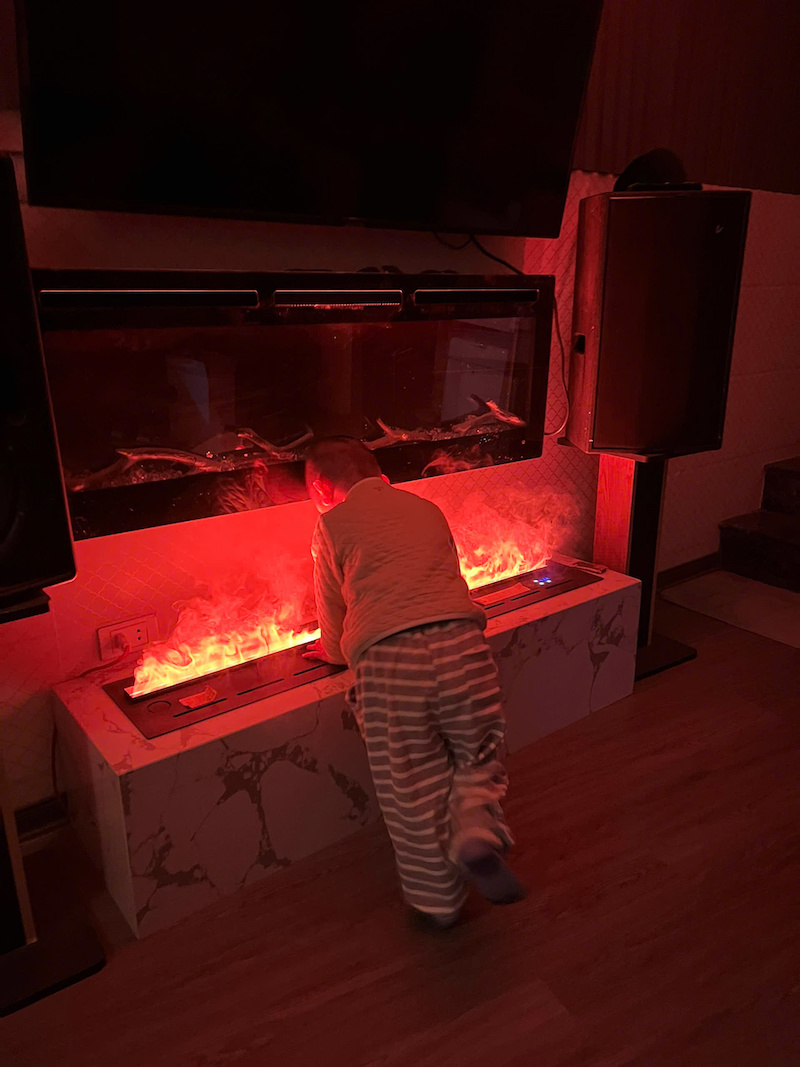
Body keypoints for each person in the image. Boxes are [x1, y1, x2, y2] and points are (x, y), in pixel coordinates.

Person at [304, 436, 524, 929]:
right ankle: (476, 832)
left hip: (389, 663)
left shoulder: (330, 525)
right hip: (462, 645)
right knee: (478, 754)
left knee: (411, 785)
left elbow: (335, 626)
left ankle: (438, 904)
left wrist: (331, 651)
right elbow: (449, 578)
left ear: (320, 488)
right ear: (383, 479)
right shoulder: (427, 510)